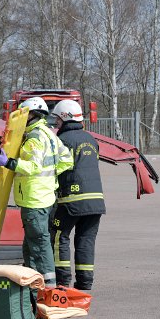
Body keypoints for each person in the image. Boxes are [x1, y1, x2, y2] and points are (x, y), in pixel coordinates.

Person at [0, 97, 73, 288]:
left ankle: (47, 286)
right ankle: (33, 284)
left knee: (38, 243)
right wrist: (50, 177)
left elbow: (33, 167)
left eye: (24, 114)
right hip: (45, 196)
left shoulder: (34, 138)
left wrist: (9, 163)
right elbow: (67, 160)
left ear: (33, 115)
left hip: (34, 199)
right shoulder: (49, 133)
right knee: (31, 245)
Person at [49, 100, 105, 291]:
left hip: (72, 200)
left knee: (59, 236)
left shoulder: (62, 141)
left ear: (65, 117)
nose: (55, 123)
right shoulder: (91, 139)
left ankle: (62, 280)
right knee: (85, 240)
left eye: (57, 119)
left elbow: (57, 168)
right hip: (96, 200)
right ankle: (84, 282)